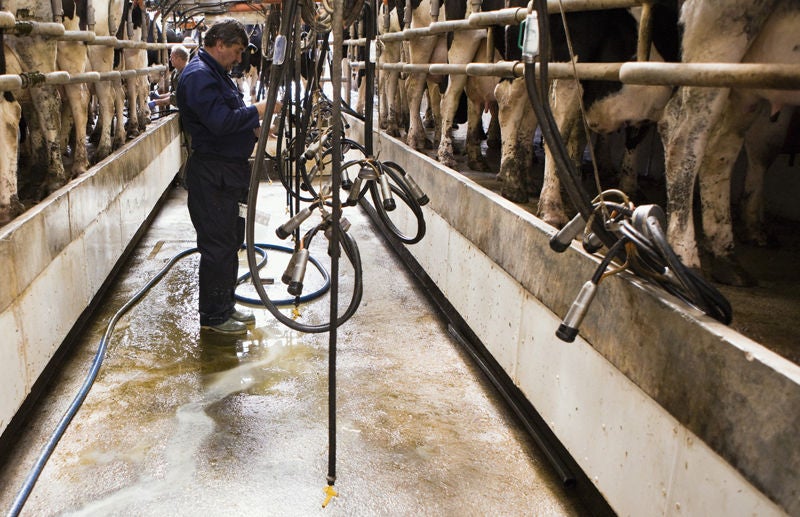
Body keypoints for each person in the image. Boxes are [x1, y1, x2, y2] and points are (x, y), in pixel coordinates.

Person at [176, 18, 274, 336]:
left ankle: (226, 306)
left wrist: (255, 128)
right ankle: (214, 317)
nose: (237, 58)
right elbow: (220, 122)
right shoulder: (199, 77)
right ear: (219, 43)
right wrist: (257, 111)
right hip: (212, 175)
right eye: (235, 50)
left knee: (229, 244)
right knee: (217, 247)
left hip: (226, 174)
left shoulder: (215, 74)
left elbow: (229, 115)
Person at [149, 44, 190, 110]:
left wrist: (155, 102)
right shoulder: (175, 72)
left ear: (179, 59)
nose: (170, 59)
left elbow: (176, 98)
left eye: (172, 57)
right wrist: (159, 97)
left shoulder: (188, 74)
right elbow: (172, 93)